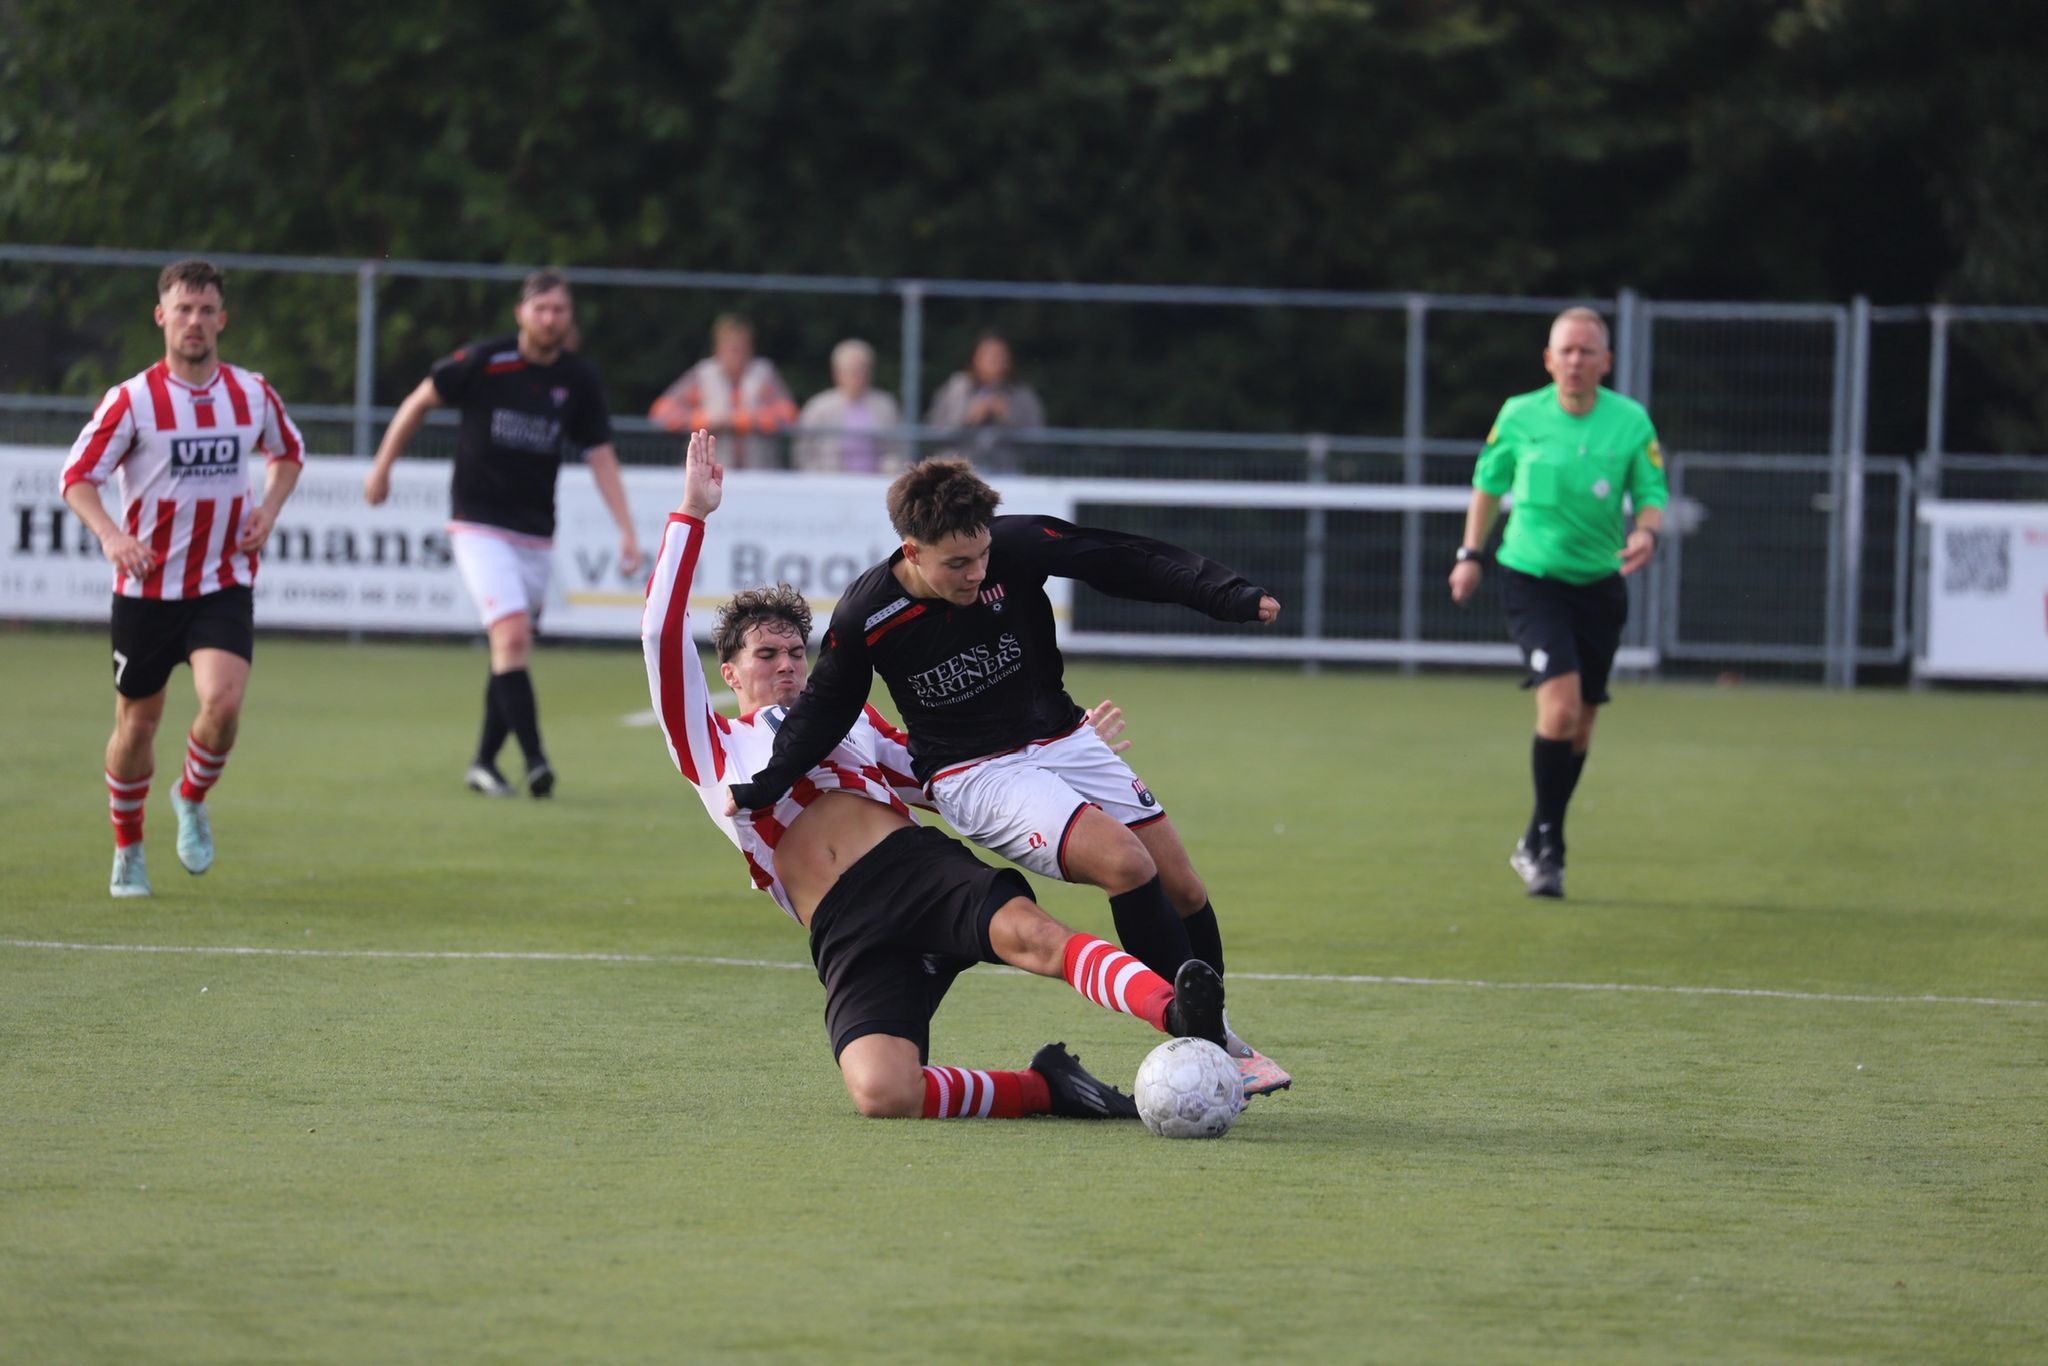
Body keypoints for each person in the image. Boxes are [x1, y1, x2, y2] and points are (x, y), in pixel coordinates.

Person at [644, 430, 1228, 1120]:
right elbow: (657, 633)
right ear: (730, 673)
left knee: (1034, 938)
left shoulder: (855, 722)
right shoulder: (709, 746)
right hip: (841, 924)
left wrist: (1048, 750)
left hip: (910, 868)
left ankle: (1182, 1015)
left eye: (797, 652)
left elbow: (953, 778)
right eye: (767, 654)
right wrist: (692, 514)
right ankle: (1052, 1088)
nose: (787, 665)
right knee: (883, 1091)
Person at [60, 259, 305, 898]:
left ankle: (191, 796)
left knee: (221, 706)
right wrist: (113, 536)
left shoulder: (251, 394)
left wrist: (268, 509)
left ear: (222, 320)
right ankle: (128, 847)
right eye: (183, 308)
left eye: (205, 310)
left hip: (223, 580)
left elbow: (289, 452)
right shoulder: (133, 400)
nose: (194, 321)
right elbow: (76, 478)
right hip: (145, 591)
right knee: (136, 726)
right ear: (161, 316)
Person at [363, 269, 642, 798]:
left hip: (536, 533)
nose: (550, 318)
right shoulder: (486, 361)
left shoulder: (577, 380)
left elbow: (600, 455)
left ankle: (484, 763)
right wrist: (382, 467)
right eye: (541, 309)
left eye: (560, 310)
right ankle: (536, 761)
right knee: (511, 636)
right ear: (521, 313)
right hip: (478, 522)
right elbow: (420, 401)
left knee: (508, 649)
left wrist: (626, 530)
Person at [1449, 306, 1669, 899]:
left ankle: (1536, 837)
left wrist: (1646, 531)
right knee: (1562, 707)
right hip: (1531, 578)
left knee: (1582, 723)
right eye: (1565, 351)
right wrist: (1471, 553)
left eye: (1586, 351)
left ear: (1606, 362)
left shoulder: (1631, 422)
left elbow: (1651, 492)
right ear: (1548, 360)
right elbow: (1488, 484)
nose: (1575, 361)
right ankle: (1550, 847)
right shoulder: (1520, 415)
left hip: (1600, 585)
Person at [648, 314, 798, 468]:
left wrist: (750, 420)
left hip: (759, 474)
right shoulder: (703, 375)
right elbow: (662, 413)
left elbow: (788, 414)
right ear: (718, 347)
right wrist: (704, 421)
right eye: (731, 347)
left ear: (750, 347)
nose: (736, 353)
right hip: (708, 473)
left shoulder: (765, 374)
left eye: (741, 347)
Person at [923, 332, 1045, 474]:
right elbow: (933, 431)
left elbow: (1038, 439)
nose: (994, 360)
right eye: (988, 354)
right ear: (975, 358)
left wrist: (1008, 418)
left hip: (1007, 474)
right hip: (959, 473)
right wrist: (968, 418)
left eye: (1000, 355)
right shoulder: (956, 388)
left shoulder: (1021, 393)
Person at [792, 339, 905, 473]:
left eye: (861, 370)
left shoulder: (885, 405)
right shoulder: (819, 407)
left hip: (876, 483)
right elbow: (802, 449)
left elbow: (898, 449)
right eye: (851, 371)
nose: (857, 376)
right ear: (837, 373)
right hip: (829, 483)